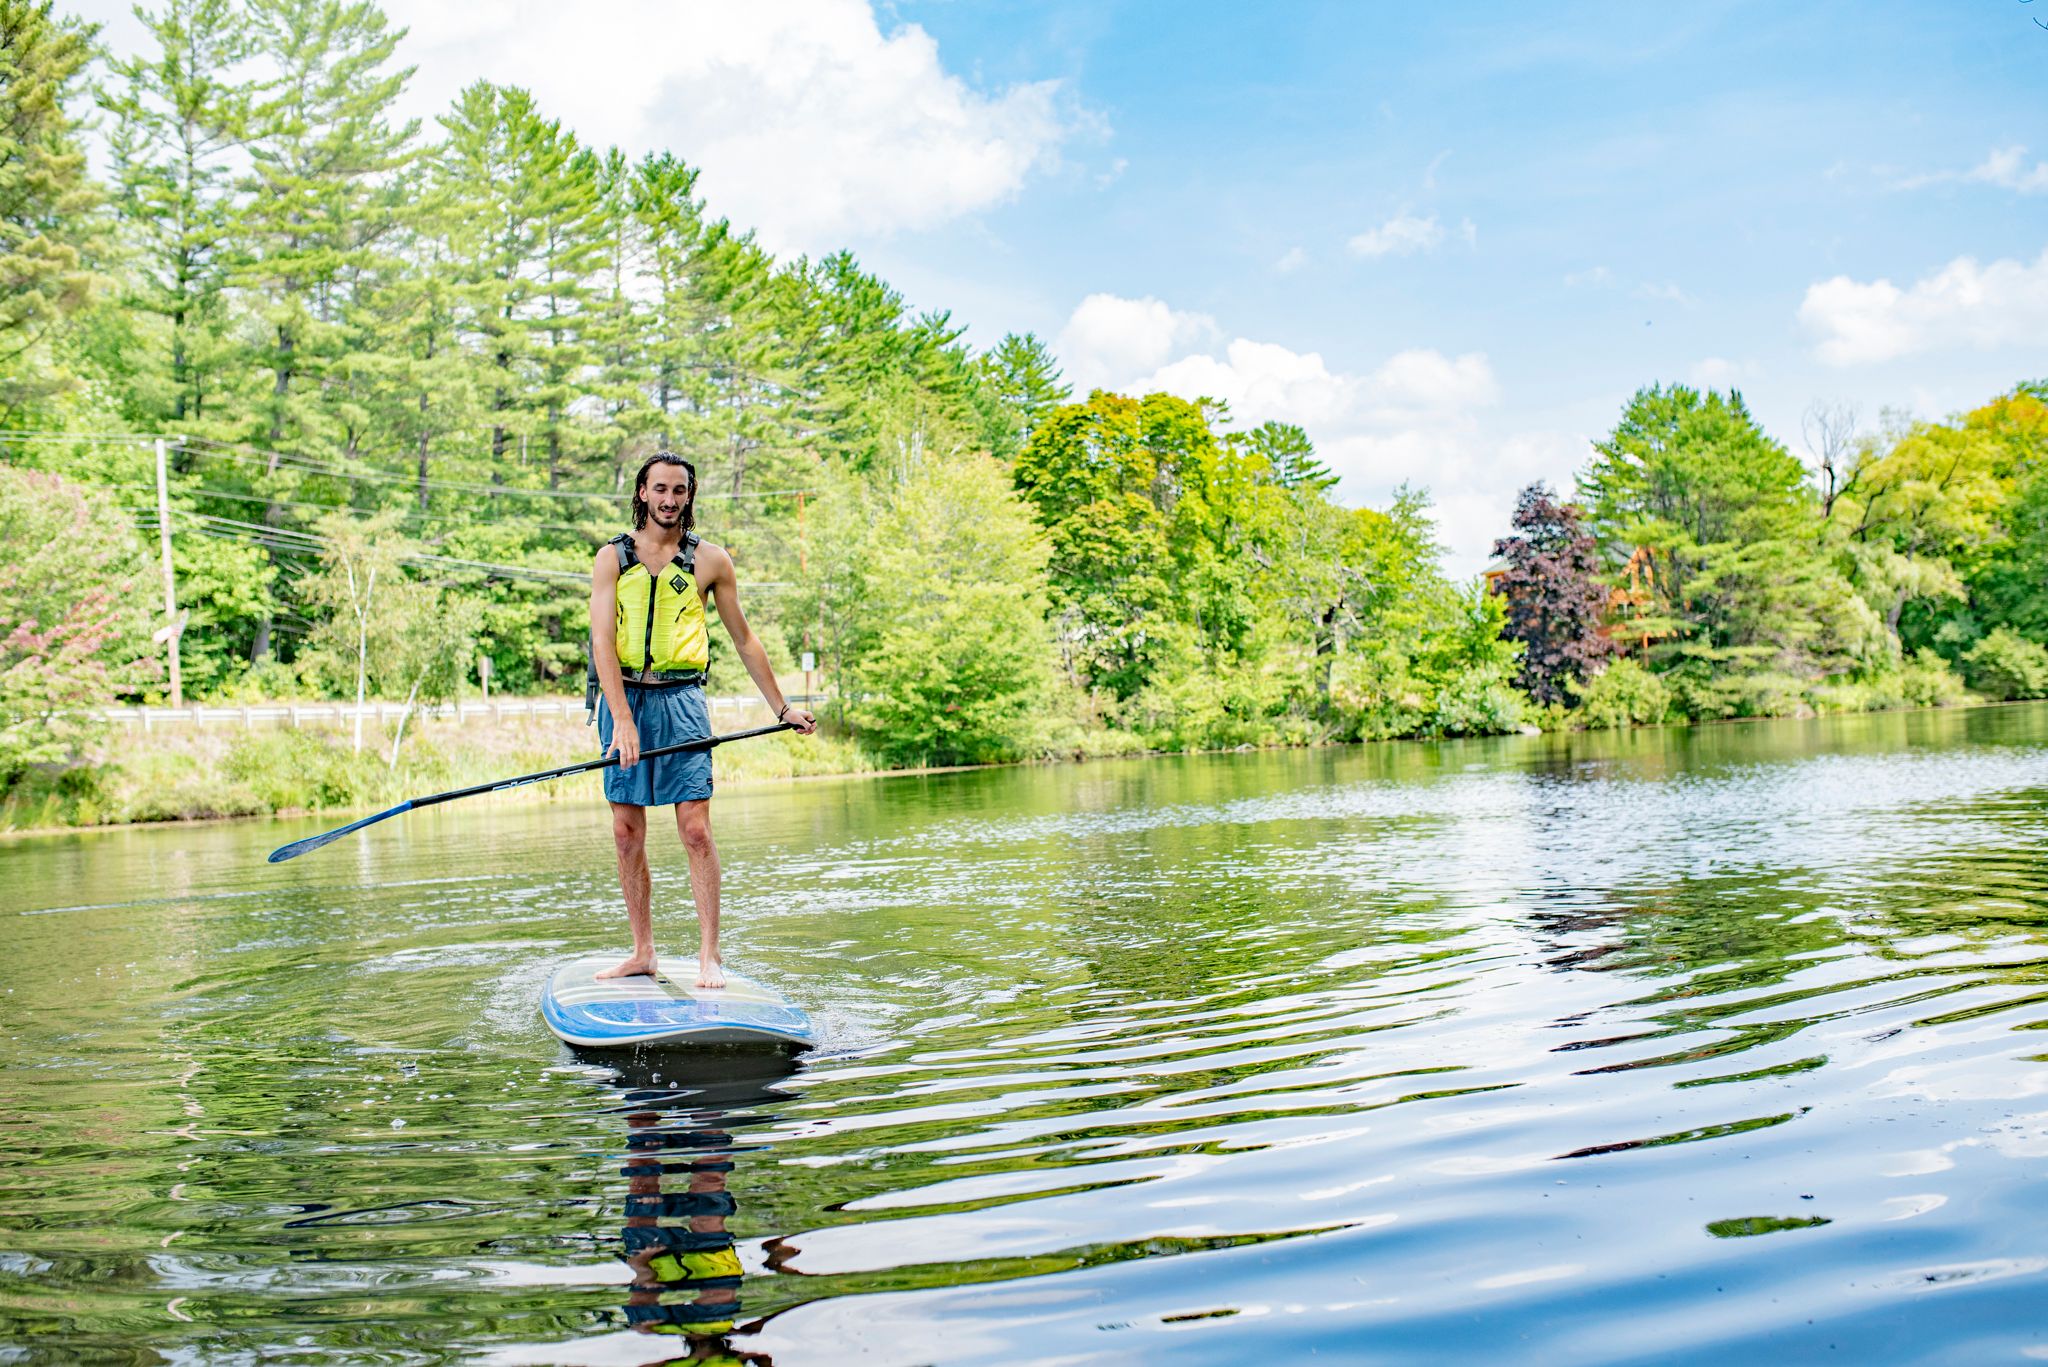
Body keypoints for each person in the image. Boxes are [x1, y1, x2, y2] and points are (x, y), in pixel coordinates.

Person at [589, 451, 815, 988]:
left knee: (695, 830)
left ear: (690, 496)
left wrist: (781, 708)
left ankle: (709, 955)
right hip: (624, 702)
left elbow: (744, 639)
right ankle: (643, 951)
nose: (669, 499)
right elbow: (601, 641)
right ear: (642, 492)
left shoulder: (711, 561)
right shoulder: (611, 559)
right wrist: (621, 718)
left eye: (679, 490)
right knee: (626, 833)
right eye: (660, 489)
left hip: (682, 702)